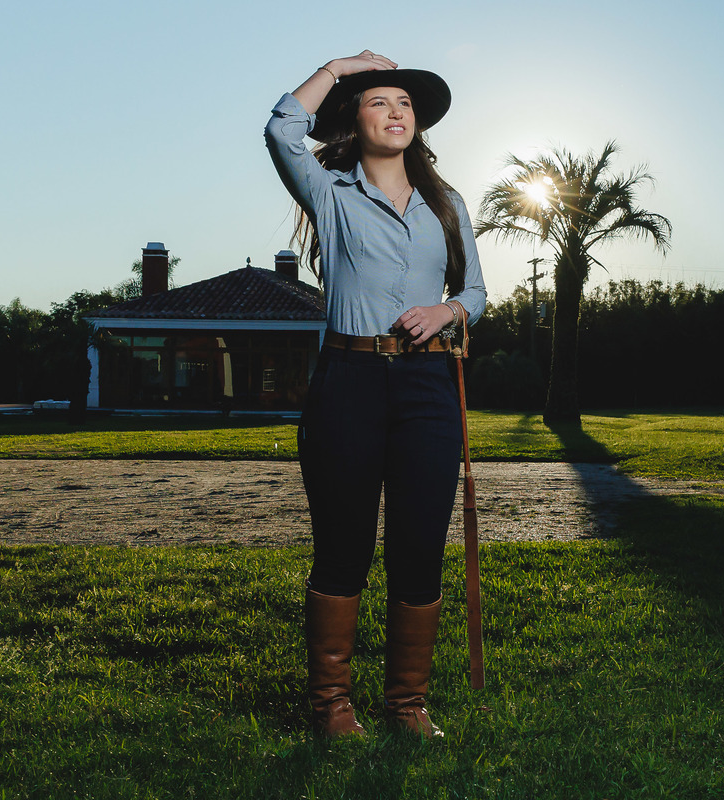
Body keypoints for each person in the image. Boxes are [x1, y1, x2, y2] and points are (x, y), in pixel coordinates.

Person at [264, 50, 486, 739]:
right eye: (378, 102)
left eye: (405, 105)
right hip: (349, 381)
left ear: (417, 126)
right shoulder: (329, 194)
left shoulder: (447, 204)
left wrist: (448, 313)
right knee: (344, 543)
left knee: (420, 543)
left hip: (427, 385)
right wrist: (337, 67)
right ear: (354, 122)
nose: (395, 113)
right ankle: (332, 706)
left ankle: (407, 705)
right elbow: (280, 129)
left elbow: (474, 289)